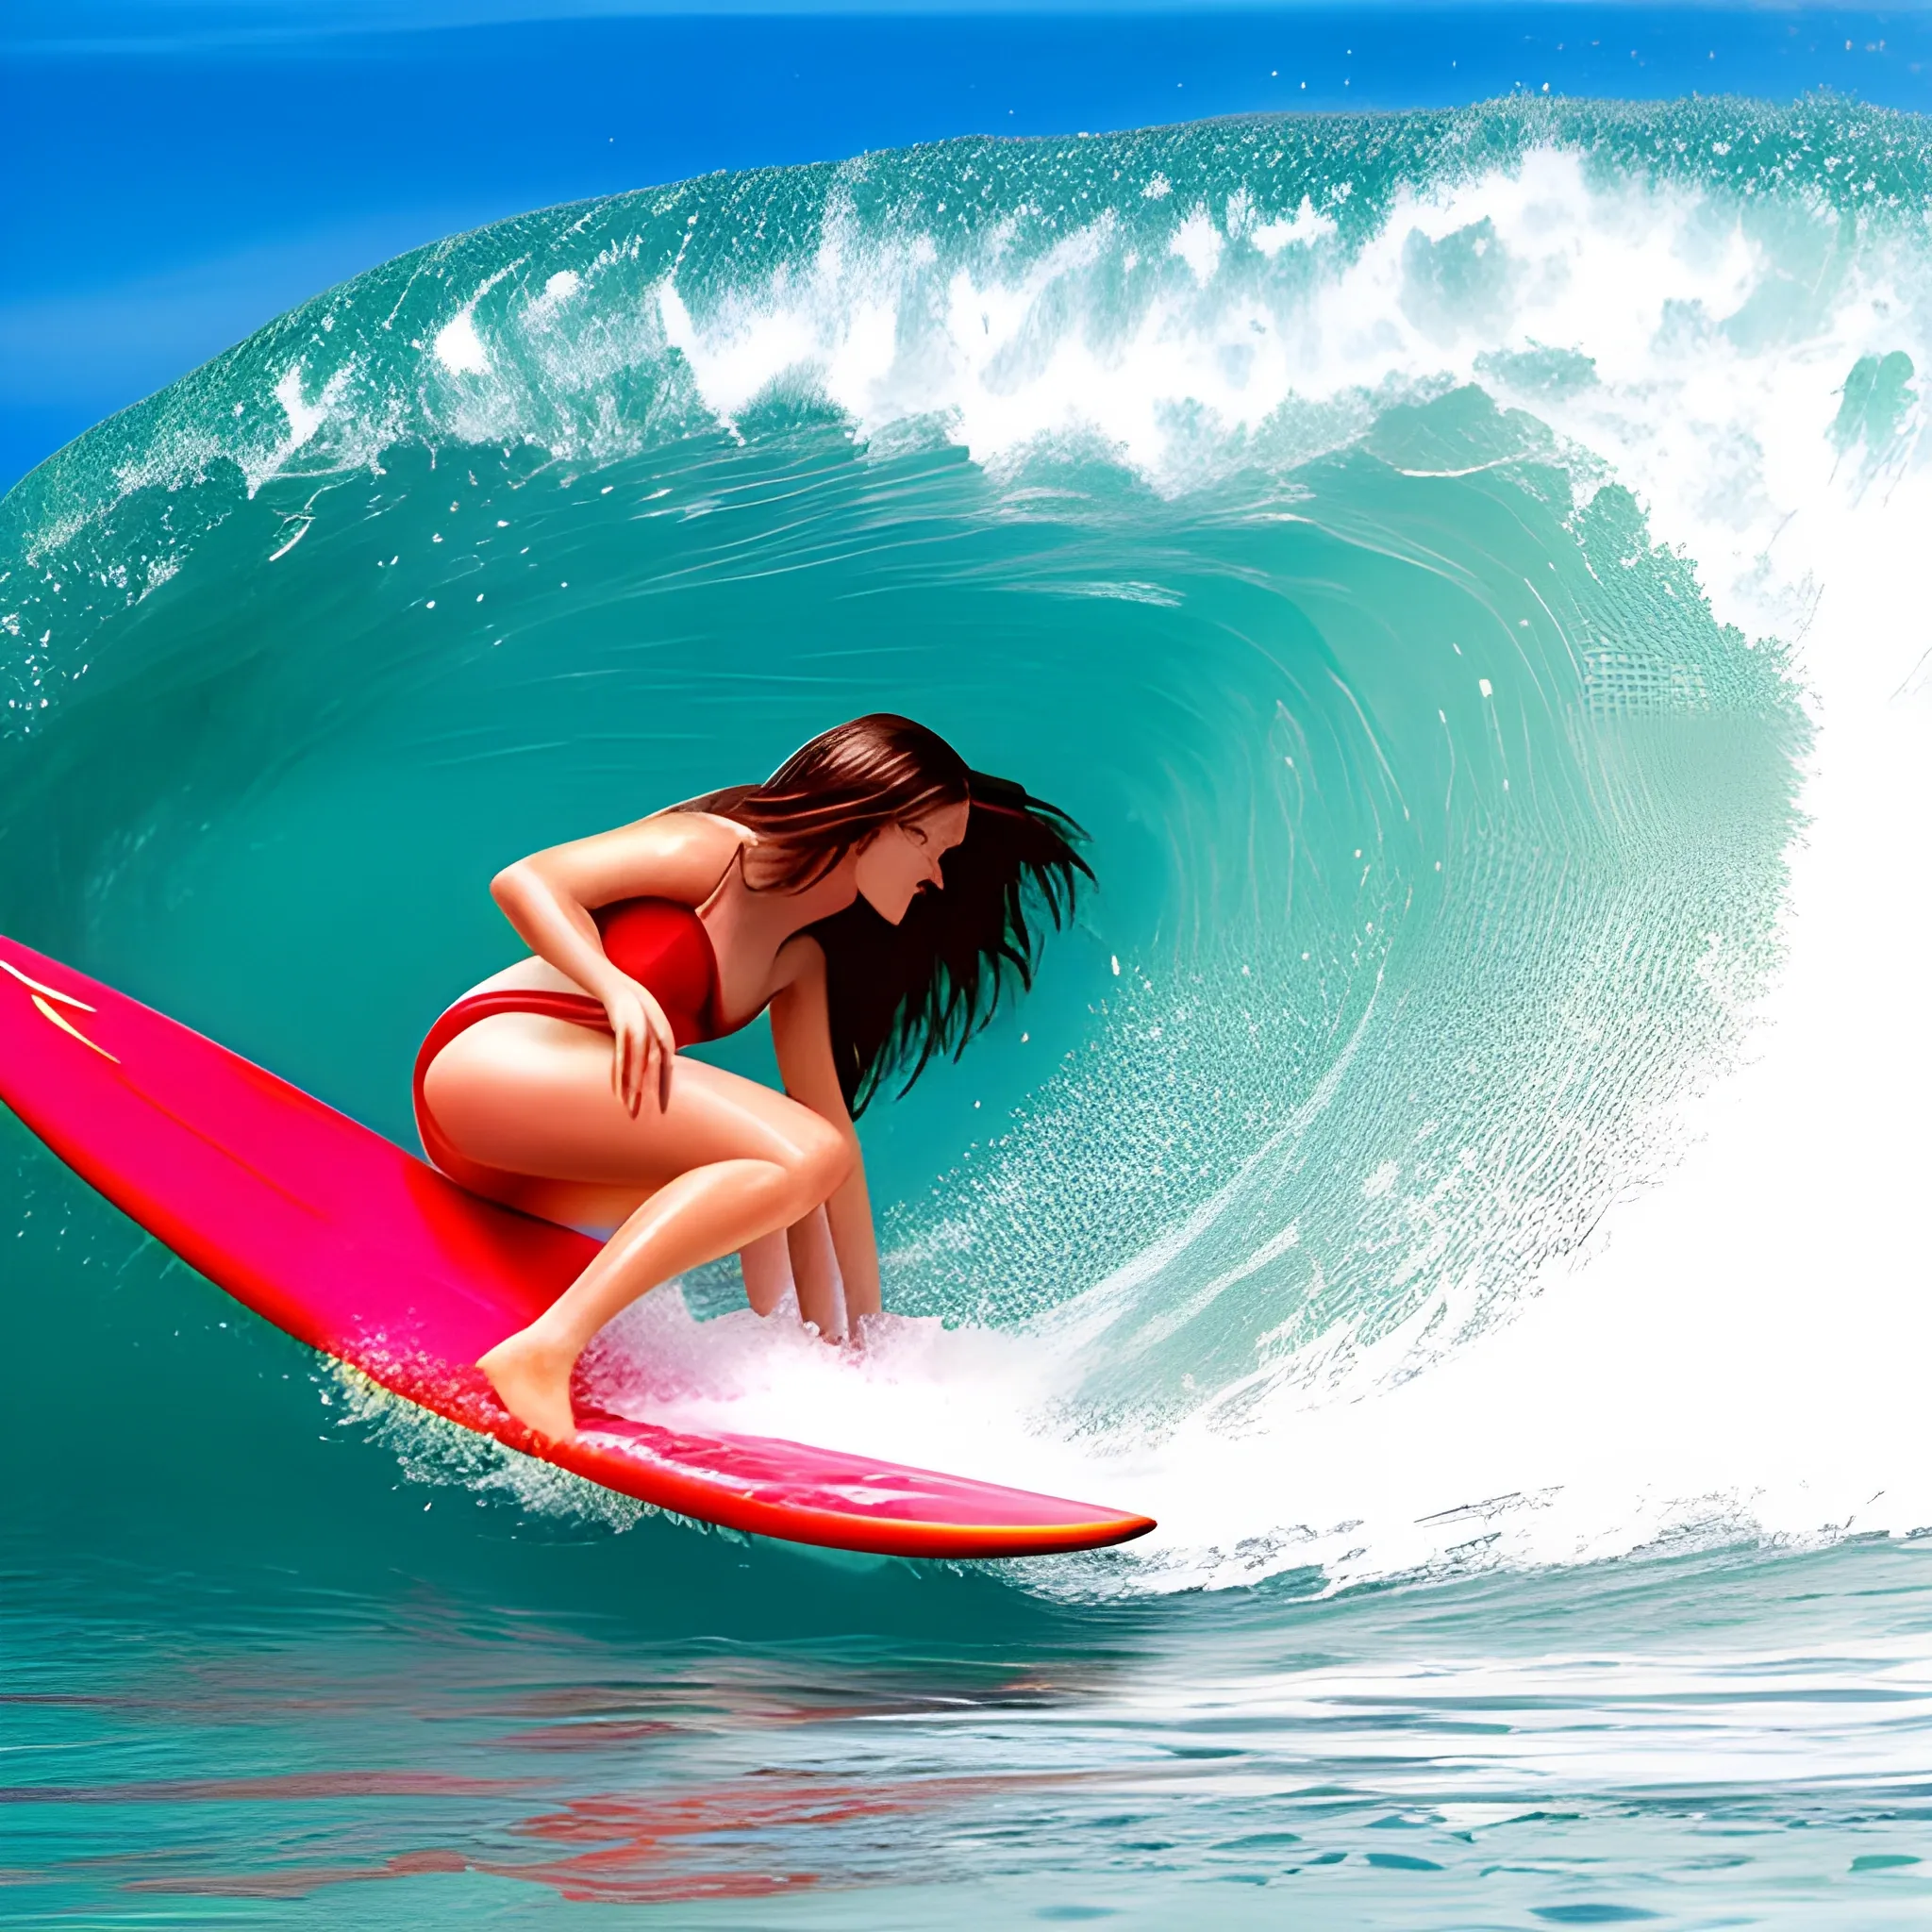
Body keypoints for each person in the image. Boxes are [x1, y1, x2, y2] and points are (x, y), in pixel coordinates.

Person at [413, 713, 1090, 1441]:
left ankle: (783, 1373)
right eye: (929, 845)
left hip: (520, 1158)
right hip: (484, 1066)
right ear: (877, 818)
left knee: (780, 1182)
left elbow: (834, 1155)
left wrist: (867, 1336)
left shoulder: (798, 960)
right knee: (790, 1151)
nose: (937, 875)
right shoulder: (718, 853)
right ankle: (543, 1351)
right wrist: (610, 984)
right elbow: (528, 880)